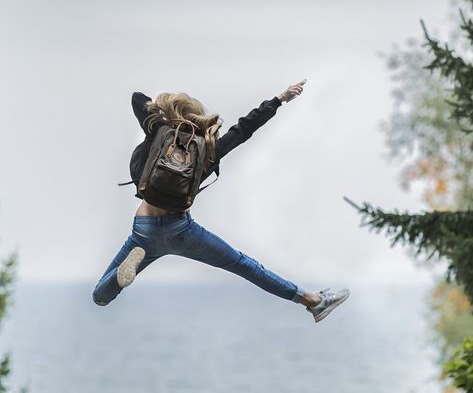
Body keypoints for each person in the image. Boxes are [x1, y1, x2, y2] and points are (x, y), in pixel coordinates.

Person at [91, 79, 349, 323]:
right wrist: (280, 99)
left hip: (144, 230)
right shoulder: (208, 149)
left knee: (100, 296)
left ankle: (121, 277)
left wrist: (162, 113)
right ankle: (313, 302)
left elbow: (138, 98)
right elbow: (245, 128)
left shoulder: (158, 132)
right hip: (181, 230)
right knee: (245, 266)